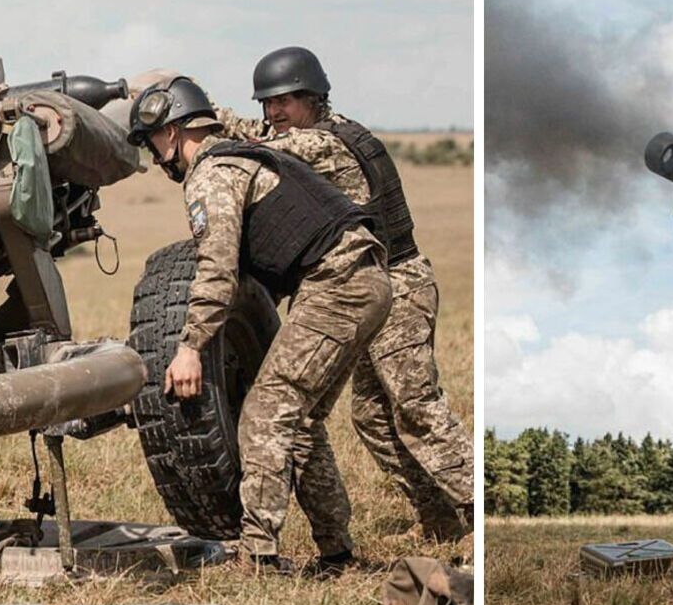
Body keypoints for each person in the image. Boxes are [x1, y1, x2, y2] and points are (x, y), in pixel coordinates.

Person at [131, 84, 393, 573]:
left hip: (338, 284)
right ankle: (336, 552)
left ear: (171, 133)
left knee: (266, 411)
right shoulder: (247, 156)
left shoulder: (213, 173)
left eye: (151, 144)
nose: (154, 157)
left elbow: (217, 267)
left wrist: (190, 348)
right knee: (301, 423)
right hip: (365, 280)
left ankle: (257, 555)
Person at [227, 47, 473, 541]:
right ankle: (441, 523)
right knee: (373, 417)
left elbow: (257, 150)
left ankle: (476, 508)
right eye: (268, 104)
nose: (275, 113)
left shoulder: (323, 144)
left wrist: (199, 120)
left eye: (286, 102)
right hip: (372, 283)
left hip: (397, 283)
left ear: (314, 98)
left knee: (416, 406)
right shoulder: (339, 130)